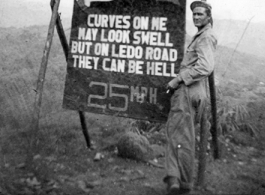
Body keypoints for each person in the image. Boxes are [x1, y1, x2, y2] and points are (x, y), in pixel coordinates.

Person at [164, 0, 217, 194]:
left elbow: (205, 66)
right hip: (196, 91)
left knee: (179, 136)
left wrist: (178, 79)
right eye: (194, 14)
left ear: (208, 17)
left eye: (200, 14)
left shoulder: (206, 37)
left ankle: (180, 183)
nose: (196, 17)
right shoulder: (202, 35)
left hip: (188, 91)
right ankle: (178, 180)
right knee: (183, 136)